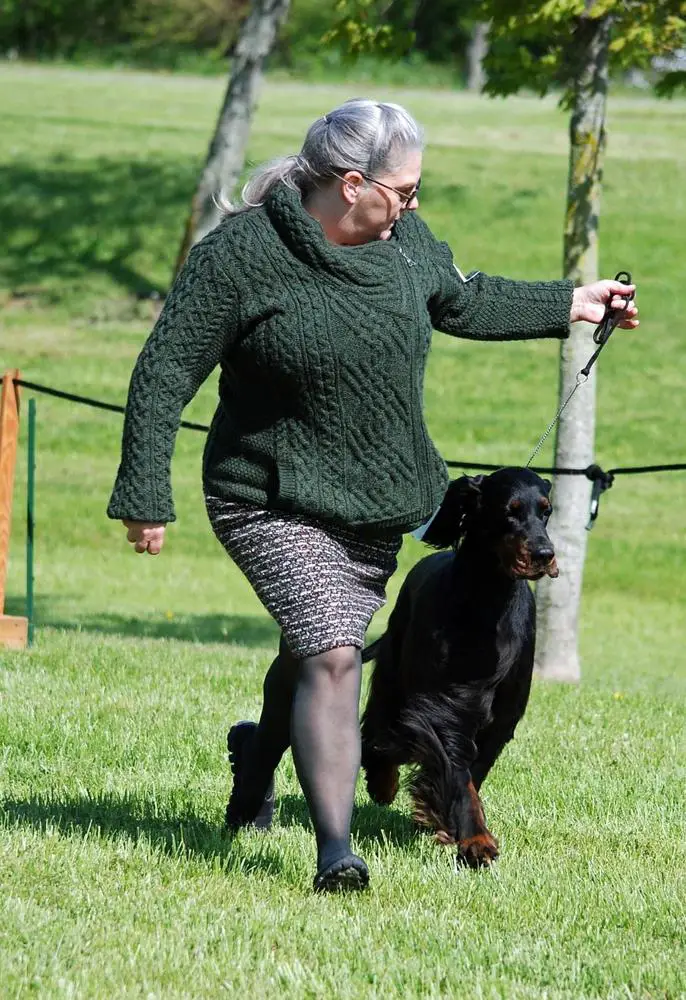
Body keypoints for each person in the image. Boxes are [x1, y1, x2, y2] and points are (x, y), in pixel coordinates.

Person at [108, 98, 639, 893]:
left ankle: (258, 756)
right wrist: (145, 491)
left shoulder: (405, 245)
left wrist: (573, 302)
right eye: (406, 190)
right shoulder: (242, 256)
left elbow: (467, 298)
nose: (414, 206)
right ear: (352, 183)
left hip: (375, 506)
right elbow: (162, 371)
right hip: (268, 497)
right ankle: (335, 853)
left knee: (311, 647)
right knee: (332, 651)